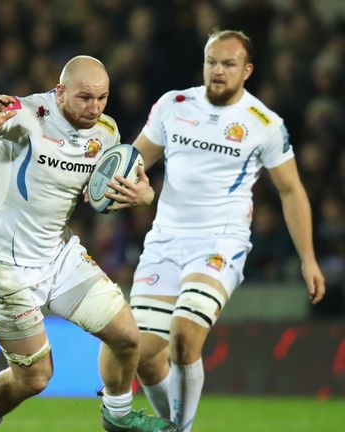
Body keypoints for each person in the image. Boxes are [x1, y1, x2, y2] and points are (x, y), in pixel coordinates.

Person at [0, 56, 178, 432]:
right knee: (34, 379)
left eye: (102, 98)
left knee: (128, 337)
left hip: (59, 257)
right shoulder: (26, 114)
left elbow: (105, 194)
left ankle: (117, 415)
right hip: (6, 268)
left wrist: (142, 196)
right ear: (60, 92)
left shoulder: (106, 133)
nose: (94, 108)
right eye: (85, 98)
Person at [113, 30, 327, 432]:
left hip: (220, 243)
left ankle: (182, 428)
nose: (218, 70)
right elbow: (136, 158)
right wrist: (119, 183)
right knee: (144, 356)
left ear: (247, 70)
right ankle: (170, 426)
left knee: (184, 336)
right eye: (212, 61)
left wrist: (308, 258)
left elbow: (291, 190)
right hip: (164, 241)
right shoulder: (173, 105)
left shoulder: (263, 123)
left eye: (228, 64)